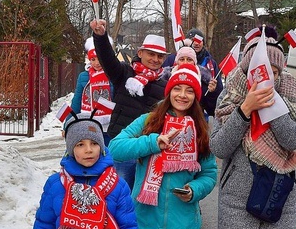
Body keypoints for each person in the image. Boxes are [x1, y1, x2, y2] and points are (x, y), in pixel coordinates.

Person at [209, 26, 296, 229]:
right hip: (237, 205)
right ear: (247, 70)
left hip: (279, 203)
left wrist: (272, 109)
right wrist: (245, 110)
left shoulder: (288, 96)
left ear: (280, 73)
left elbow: (294, 140)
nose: (267, 76)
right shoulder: (230, 97)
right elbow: (220, 147)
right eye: (260, 69)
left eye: (273, 71)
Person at [109, 64, 218, 229]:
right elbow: (115, 147)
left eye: (189, 90)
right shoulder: (149, 121)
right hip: (146, 220)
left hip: (183, 222)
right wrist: (152, 143)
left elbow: (209, 174)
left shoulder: (200, 129)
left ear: (195, 96)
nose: (182, 95)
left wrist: (194, 190)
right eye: (177, 88)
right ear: (168, 92)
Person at [89, 19, 169, 190]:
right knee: (120, 193)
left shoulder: (166, 84)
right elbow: (107, 59)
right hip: (122, 145)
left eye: (160, 56)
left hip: (149, 148)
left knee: (143, 195)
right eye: (151, 54)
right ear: (140, 53)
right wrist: (100, 37)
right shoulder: (125, 73)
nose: (155, 59)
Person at [63, 37, 114, 141]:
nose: (97, 63)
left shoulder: (113, 75)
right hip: (88, 123)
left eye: (99, 58)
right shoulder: (84, 76)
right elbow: (77, 101)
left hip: (110, 125)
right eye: (93, 59)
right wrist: (67, 124)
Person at [164, 28, 222, 117]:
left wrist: (212, 92)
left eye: (200, 40)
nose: (196, 43)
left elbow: (217, 96)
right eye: (193, 40)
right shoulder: (171, 61)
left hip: (198, 113)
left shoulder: (210, 64)